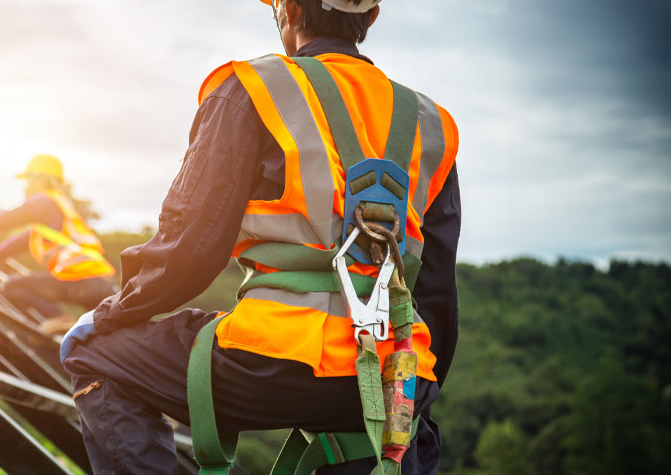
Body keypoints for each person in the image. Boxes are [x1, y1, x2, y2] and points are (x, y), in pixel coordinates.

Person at [61, 0, 460, 473]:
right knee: (401, 434)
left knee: (94, 355)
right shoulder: (432, 124)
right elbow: (435, 292)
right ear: (370, 17)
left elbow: (190, 248)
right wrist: (415, 390)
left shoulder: (253, 89)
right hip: (394, 373)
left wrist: (113, 313)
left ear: (289, 9)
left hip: (274, 360)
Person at [0, 154, 116, 332]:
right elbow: (15, 244)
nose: (26, 186)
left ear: (41, 179)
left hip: (79, 280)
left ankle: (59, 318)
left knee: (13, 286)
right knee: (104, 336)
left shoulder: (44, 201)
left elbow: (3, 219)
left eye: (28, 179)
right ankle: (58, 326)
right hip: (101, 285)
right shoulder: (54, 216)